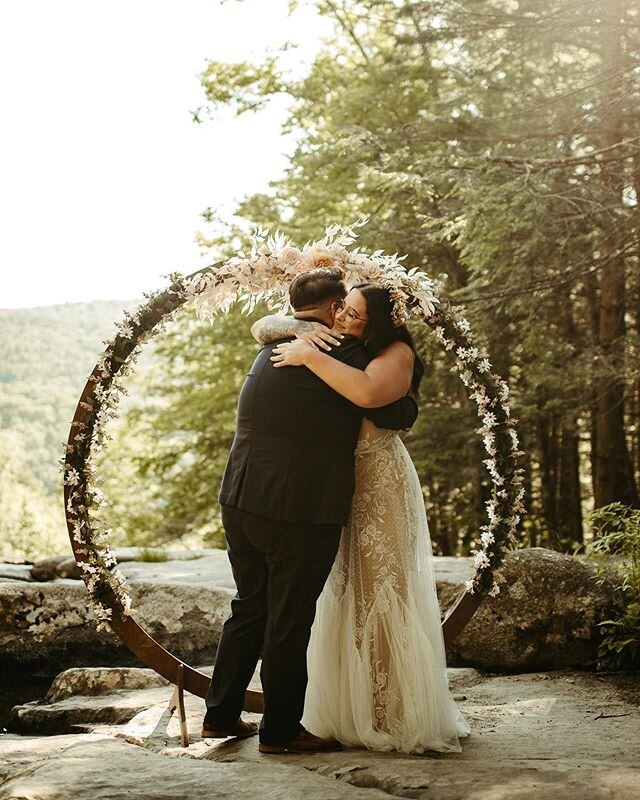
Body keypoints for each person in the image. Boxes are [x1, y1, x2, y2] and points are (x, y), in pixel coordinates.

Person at [202, 268, 418, 754]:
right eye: (342, 308)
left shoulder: (269, 350)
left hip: (240, 497)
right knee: (289, 620)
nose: (344, 317)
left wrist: (291, 327)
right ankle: (279, 732)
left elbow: (265, 326)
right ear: (330, 309)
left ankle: (219, 715)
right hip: (297, 508)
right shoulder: (345, 354)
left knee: (248, 608)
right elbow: (392, 410)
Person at [260, 283, 471, 754]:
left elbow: (370, 392)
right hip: (338, 486)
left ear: (379, 321)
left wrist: (308, 356)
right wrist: (285, 331)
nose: (341, 320)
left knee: (382, 588)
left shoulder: (395, 353)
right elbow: (268, 325)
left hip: (379, 482)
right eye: (342, 311)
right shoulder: (343, 343)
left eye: (354, 315)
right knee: (344, 593)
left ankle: (394, 711)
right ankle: (344, 710)